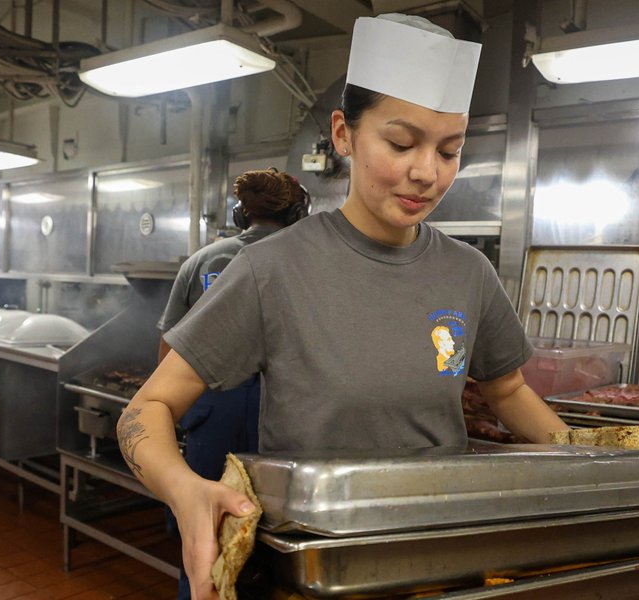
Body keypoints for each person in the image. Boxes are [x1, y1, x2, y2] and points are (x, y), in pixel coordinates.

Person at [117, 13, 569, 600]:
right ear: (343, 133)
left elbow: (506, 392)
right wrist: (185, 490)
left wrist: (595, 467)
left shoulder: (469, 273)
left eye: (450, 150)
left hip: (441, 566)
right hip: (315, 574)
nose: (427, 173)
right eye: (401, 143)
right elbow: (147, 406)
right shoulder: (271, 269)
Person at [156, 167, 310, 600]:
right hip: (287, 416)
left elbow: (168, 349)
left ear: (242, 215)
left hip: (211, 408)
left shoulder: (202, 262)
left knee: (203, 531)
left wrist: (182, 412)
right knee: (279, 543)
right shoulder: (310, 264)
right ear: (299, 213)